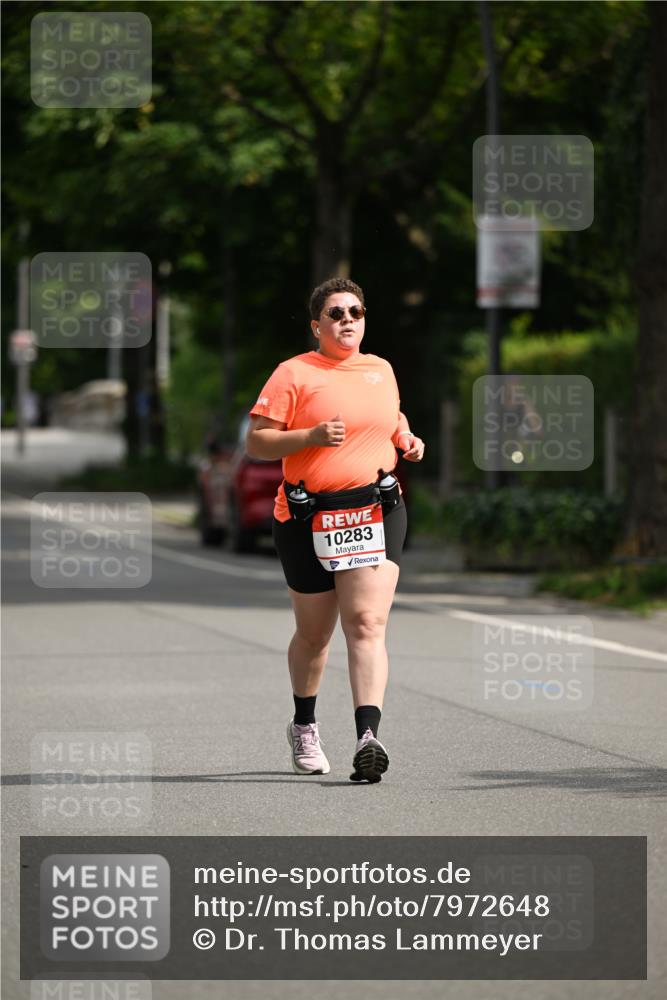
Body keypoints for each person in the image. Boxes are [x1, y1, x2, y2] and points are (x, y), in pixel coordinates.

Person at [246, 278, 425, 783]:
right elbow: (257, 443)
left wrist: (406, 438)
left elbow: (391, 417)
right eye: (336, 313)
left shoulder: (380, 369)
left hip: (373, 511)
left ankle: (369, 737)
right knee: (315, 634)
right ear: (317, 326)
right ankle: (304, 724)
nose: (348, 319)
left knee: (367, 623)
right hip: (307, 517)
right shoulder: (294, 373)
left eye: (356, 311)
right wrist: (313, 436)